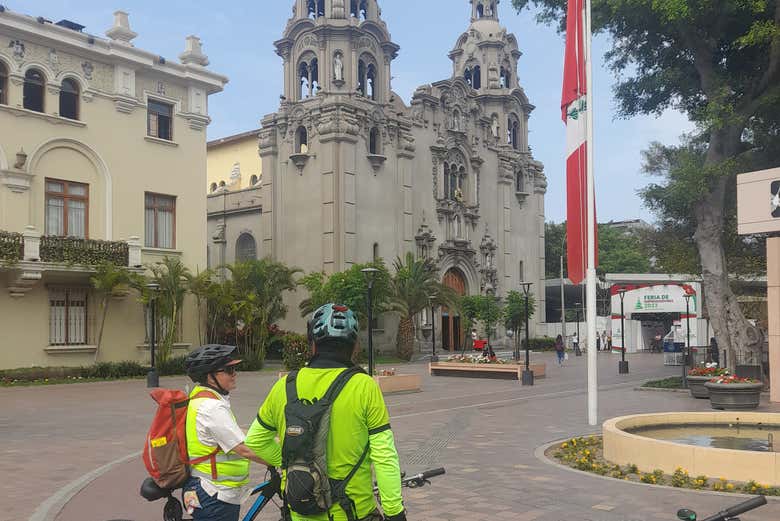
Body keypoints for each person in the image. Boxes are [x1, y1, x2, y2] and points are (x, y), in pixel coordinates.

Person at [246, 304, 406, 521]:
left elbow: (255, 441)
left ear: (312, 344)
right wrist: (394, 512)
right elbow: (384, 456)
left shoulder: (284, 386)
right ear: (354, 346)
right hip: (352, 512)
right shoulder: (364, 386)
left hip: (299, 512)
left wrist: (293, 462)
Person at [182, 345, 269, 521]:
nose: (234, 374)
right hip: (213, 494)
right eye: (229, 370)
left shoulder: (201, 398)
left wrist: (274, 439)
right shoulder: (211, 407)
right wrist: (283, 461)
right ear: (210, 376)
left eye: (234, 369)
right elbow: (244, 449)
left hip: (203, 490)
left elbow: (232, 432)